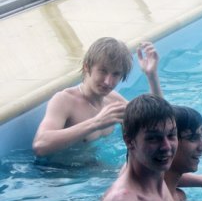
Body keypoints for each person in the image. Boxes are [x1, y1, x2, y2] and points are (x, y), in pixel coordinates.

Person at [32, 37, 161, 159]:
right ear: (87, 67)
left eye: (116, 74)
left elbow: (155, 122)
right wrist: (96, 123)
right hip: (60, 172)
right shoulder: (64, 100)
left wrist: (152, 76)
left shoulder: (113, 100)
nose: (108, 82)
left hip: (96, 167)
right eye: (103, 71)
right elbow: (40, 145)